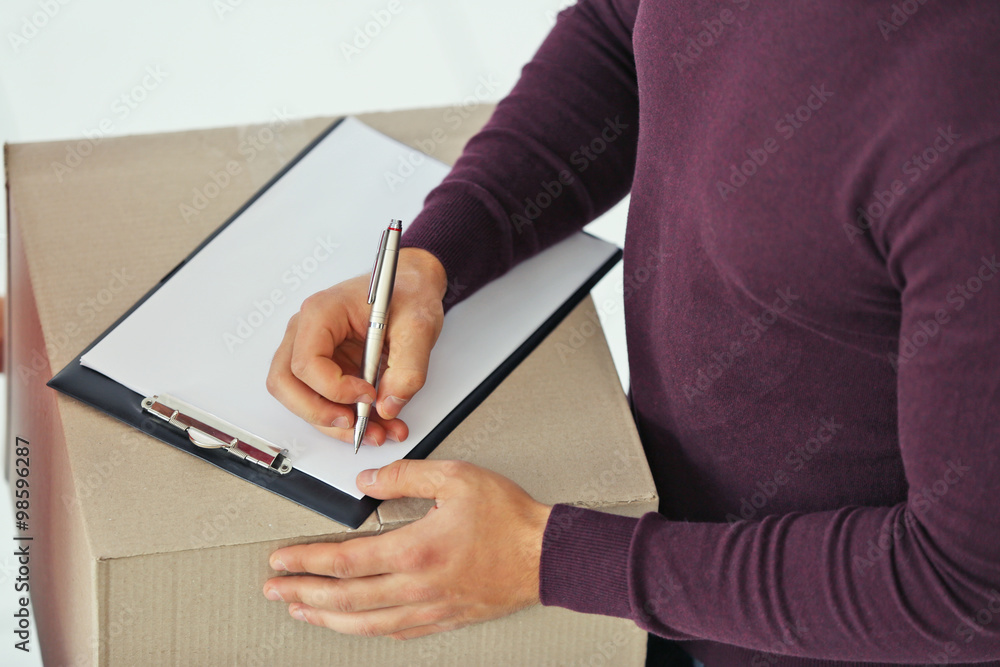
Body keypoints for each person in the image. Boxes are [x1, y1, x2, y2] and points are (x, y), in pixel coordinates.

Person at [262, 1, 1000, 665]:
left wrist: (554, 559)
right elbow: (624, 33)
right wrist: (438, 255)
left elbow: (970, 586)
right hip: (662, 559)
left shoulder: (970, 131)